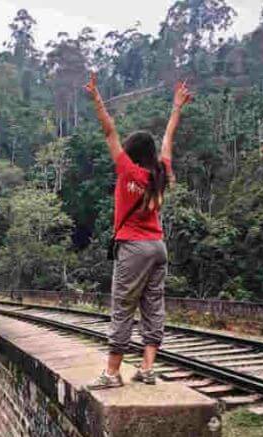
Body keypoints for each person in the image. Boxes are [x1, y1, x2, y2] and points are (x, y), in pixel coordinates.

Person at [84, 73, 193, 389]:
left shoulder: (126, 170)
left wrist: (96, 98)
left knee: (123, 307)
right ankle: (146, 368)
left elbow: (109, 130)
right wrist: (176, 108)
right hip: (158, 247)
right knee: (152, 307)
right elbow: (168, 140)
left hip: (133, 247)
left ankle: (113, 373)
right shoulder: (160, 173)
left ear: (131, 151)